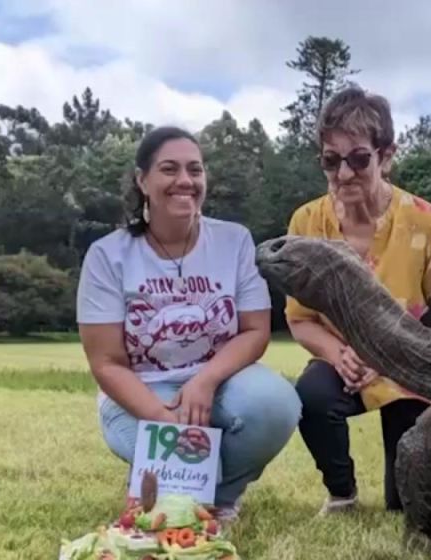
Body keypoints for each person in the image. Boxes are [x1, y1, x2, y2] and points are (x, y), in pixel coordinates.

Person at [77, 125, 301, 526]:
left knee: (277, 403)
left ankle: (221, 496)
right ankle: (183, 489)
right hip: (140, 393)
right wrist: (163, 422)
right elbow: (107, 363)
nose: (185, 180)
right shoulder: (106, 255)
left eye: (195, 170)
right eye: (169, 169)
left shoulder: (234, 241)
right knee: (172, 501)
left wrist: (206, 381)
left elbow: (255, 331)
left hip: (217, 386)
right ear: (142, 180)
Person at [284, 87, 431, 516]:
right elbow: (299, 318)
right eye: (331, 160)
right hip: (343, 362)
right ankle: (342, 493)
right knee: (311, 395)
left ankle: (405, 489)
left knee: (405, 504)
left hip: (411, 366)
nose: (344, 173)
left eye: (359, 158)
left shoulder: (428, 222)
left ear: (386, 155)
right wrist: (338, 354)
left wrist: (391, 356)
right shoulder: (307, 222)